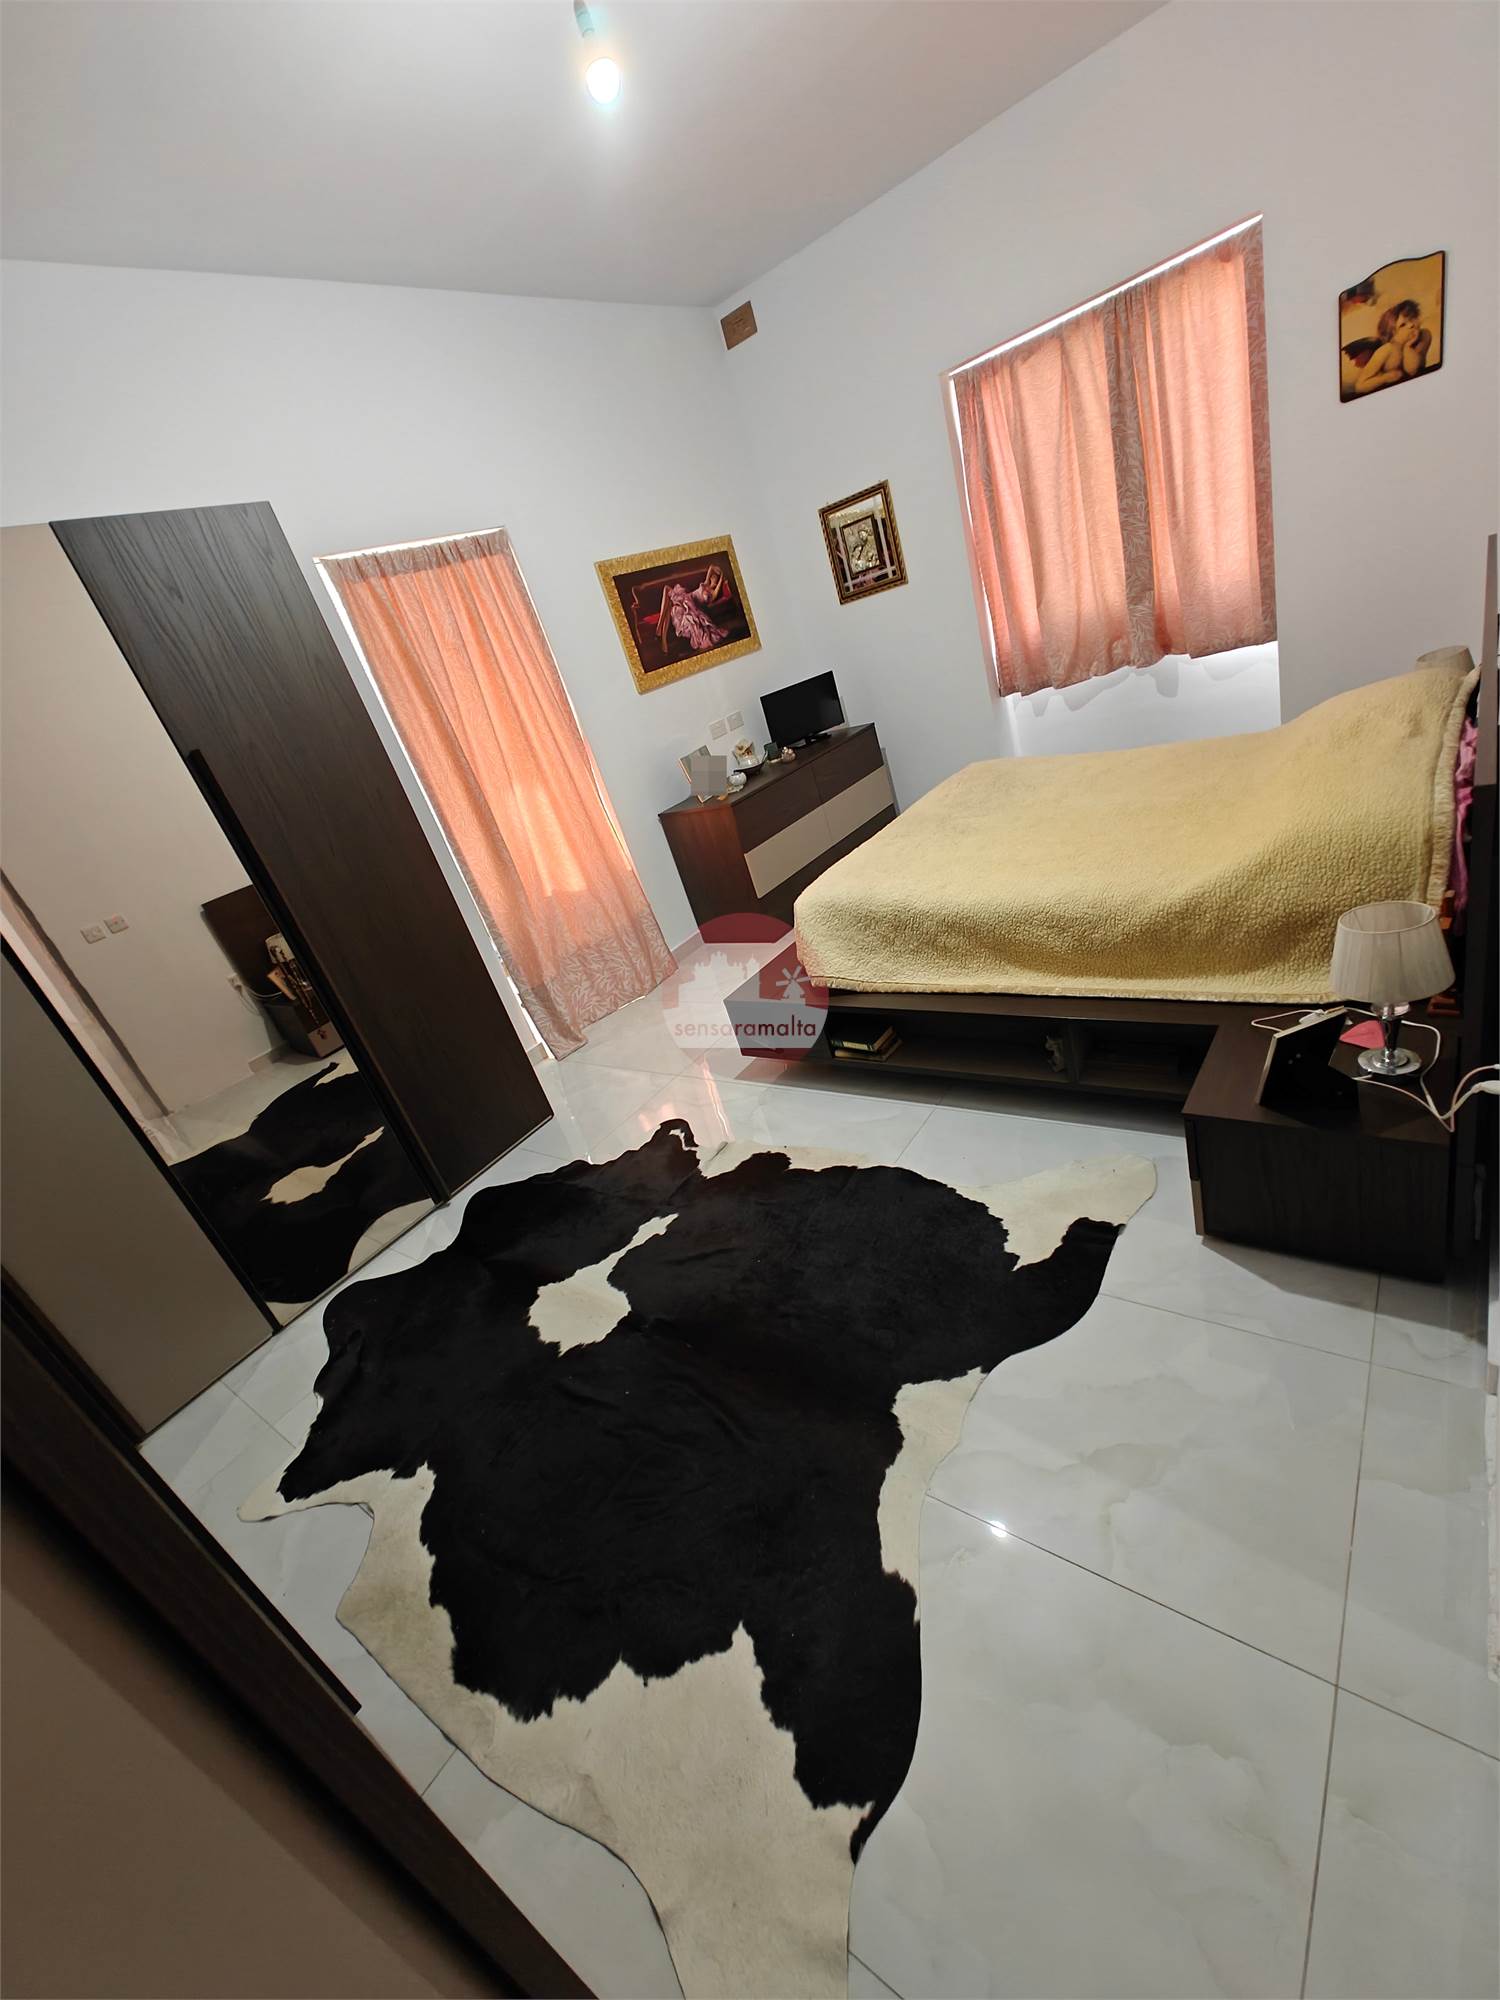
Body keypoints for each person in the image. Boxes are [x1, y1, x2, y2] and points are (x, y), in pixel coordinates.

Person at [1354, 299, 1432, 394]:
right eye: (1403, 325)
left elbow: (1412, 370)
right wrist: (1385, 378)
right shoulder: (1387, 349)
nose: (1411, 325)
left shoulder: (1424, 335)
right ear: (1392, 334)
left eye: (1412, 318)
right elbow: (1360, 387)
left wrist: (1407, 346)